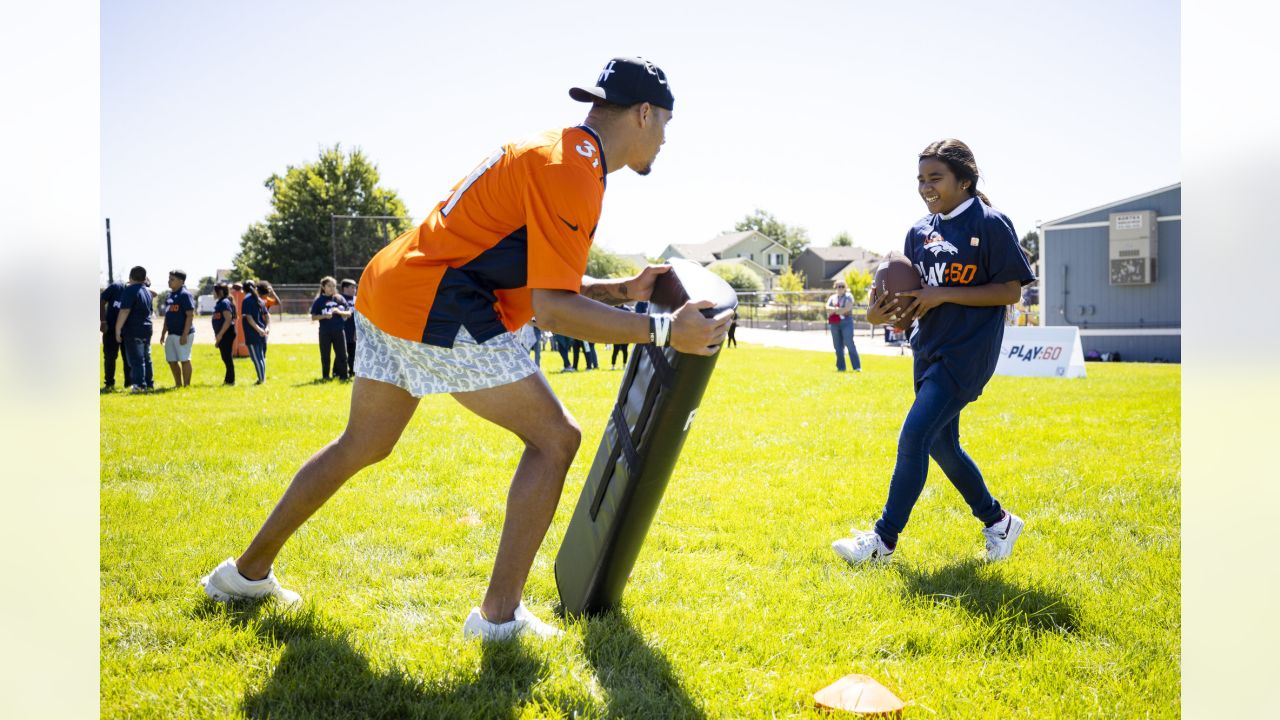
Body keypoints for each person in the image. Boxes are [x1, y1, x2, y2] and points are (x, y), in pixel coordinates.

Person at [200, 57, 731, 641]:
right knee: (556, 439)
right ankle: (498, 619)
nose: (665, 138)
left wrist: (619, 291)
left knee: (363, 442)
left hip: (393, 284)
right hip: (436, 299)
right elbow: (552, 309)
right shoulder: (575, 171)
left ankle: (243, 576)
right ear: (644, 112)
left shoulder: (560, 150)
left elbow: (533, 273)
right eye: (665, 124)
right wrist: (662, 330)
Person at [833, 138, 1036, 566]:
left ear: (964, 180)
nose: (927, 187)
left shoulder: (991, 223)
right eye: (921, 179)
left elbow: (1010, 290)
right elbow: (906, 302)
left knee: (914, 436)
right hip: (927, 347)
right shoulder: (919, 232)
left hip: (968, 351)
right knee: (941, 445)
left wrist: (943, 293)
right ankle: (998, 521)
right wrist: (877, 315)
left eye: (936, 178)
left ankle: (882, 542)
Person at [114, 265, 154, 393]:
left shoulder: (130, 290)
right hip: (147, 328)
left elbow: (125, 310)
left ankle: (139, 385)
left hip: (133, 328)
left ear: (131, 277)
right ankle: (149, 383)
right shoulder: (148, 291)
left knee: (136, 359)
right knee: (146, 358)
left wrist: (117, 329)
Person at [310, 276, 353, 381]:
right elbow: (313, 317)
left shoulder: (339, 299)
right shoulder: (319, 301)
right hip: (325, 332)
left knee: (342, 355)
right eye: (329, 286)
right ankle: (325, 377)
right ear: (323, 287)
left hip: (338, 330)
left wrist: (339, 312)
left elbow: (349, 313)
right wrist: (324, 316)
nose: (332, 288)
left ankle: (344, 376)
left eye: (333, 286)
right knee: (325, 356)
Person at [158, 270, 196, 388]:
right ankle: (178, 384)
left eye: (172, 279)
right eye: (169, 279)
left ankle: (186, 385)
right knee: (171, 360)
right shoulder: (169, 295)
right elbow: (168, 316)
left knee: (184, 359)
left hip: (183, 333)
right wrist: (163, 333)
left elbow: (190, 315)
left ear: (181, 281)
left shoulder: (185, 295)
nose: (169, 281)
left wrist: (184, 334)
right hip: (172, 333)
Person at [100, 278, 132, 390]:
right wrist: (103, 321)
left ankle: (129, 383)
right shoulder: (115, 287)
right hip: (110, 329)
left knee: (128, 358)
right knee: (109, 357)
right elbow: (101, 300)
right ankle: (109, 384)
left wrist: (146, 285)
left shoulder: (138, 289)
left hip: (128, 329)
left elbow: (153, 294)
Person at [825, 280, 861, 372]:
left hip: (846, 322)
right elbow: (827, 308)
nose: (840, 288)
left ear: (845, 287)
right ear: (835, 287)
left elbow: (847, 309)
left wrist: (835, 310)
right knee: (837, 346)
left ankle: (857, 367)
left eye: (842, 286)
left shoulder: (849, 296)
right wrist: (838, 310)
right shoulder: (832, 297)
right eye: (838, 286)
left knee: (849, 344)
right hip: (835, 324)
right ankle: (841, 367)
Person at [240, 280, 271, 384]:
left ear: (243, 290)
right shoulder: (260, 300)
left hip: (252, 333)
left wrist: (259, 330)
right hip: (262, 333)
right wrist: (266, 328)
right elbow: (267, 316)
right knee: (261, 357)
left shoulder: (247, 300)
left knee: (256, 358)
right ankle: (263, 378)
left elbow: (249, 318)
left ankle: (261, 380)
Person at [211, 282, 237, 385]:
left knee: (227, 357)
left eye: (214, 291)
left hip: (227, 333)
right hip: (223, 333)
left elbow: (228, 319)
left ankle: (230, 381)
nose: (213, 293)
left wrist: (220, 334)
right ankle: (228, 380)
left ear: (220, 292)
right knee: (225, 357)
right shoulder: (220, 302)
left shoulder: (224, 302)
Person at [340, 279, 358, 379]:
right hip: (343, 330)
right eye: (352, 287)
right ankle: (338, 372)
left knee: (353, 353)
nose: (355, 289)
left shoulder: (357, 299)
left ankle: (352, 371)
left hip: (354, 330)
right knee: (342, 353)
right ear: (345, 288)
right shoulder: (339, 299)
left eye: (355, 287)